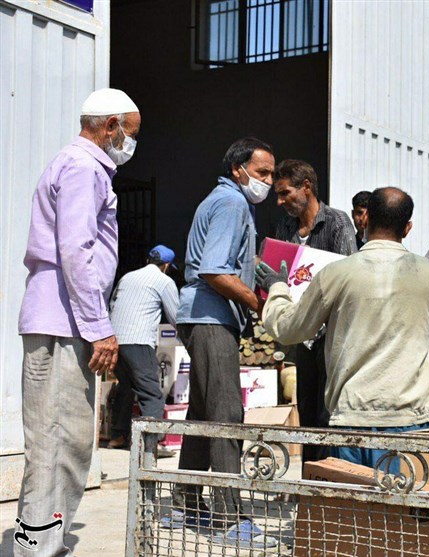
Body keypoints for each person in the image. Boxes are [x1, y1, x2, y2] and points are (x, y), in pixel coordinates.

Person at [16, 88, 140, 557]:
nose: (131, 143)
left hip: (61, 318)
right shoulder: (84, 168)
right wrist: (100, 326)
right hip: (63, 321)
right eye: (130, 133)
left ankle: (42, 543)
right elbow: (76, 251)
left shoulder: (80, 166)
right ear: (110, 127)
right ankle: (38, 549)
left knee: (61, 442)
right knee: (57, 443)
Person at [257, 187, 429, 468]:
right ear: (407, 228)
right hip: (411, 419)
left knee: (350, 497)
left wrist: (277, 288)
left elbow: (289, 328)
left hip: (351, 419)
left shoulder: (336, 273)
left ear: (366, 219)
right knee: (404, 497)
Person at [169, 137, 273, 547]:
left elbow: (236, 261)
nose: (267, 182)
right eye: (262, 172)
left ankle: (185, 504)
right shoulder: (231, 203)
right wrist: (259, 302)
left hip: (202, 316)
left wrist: (264, 273)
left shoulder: (227, 201)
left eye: (271, 174)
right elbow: (214, 270)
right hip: (211, 317)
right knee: (227, 412)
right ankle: (232, 519)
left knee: (203, 410)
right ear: (237, 168)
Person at [272, 159, 356, 462]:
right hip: (302, 332)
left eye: (286, 193)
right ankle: (311, 474)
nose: (280, 201)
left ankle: (330, 475)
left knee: (328, 411)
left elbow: (349, 276)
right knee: (307, 411)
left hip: (331, 333)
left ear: (306, 187)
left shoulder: (337, 223)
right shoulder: (285, 227)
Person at [107, 245, 180, 458]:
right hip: (138, 341)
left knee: (126, 387)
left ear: (148, 260)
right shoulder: (164, 281)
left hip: (115, 341)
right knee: (152, 394)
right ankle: (150, 446)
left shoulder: (127, 277)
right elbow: (175, 316)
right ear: (166, 266)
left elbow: (112, 305)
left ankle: (118, 436)